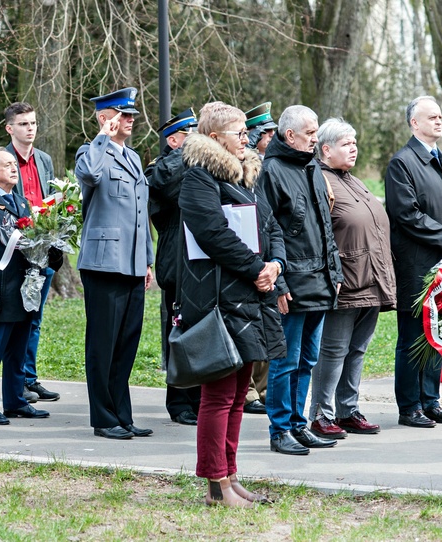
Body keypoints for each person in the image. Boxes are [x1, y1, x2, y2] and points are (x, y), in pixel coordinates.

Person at [177, 101, 285, 507]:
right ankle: (215, 485)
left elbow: (271, 226)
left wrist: (275, 265)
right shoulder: (198, 177)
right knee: (219, 394)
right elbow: (212, 233)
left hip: (251, 296)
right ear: (214, 137)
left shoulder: (247, 174)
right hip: (219, 298)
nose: (247, 139)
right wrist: (256, 268)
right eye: (239, 133)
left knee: (239, 393)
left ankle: (231, 476)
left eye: (246, 133)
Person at [258, 105, 342, 455]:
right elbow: (267, 231)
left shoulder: (312, 166)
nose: (315, 138)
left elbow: (325, 227)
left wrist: (335, 272)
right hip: (291, 284)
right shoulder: (271, 170)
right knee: (286, 361)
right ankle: (280, 430)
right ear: (289, 135)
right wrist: (278, 285)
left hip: (320, 280)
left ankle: (297, 424)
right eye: (310, 133)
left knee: (307, 359)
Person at [308, 118, 395, 438]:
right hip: (343, 282)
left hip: (371, 279)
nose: (354, 148)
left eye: (354, 143)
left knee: (357, 349)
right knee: (333, 350)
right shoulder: (319, 179)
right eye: (346, 144)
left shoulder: (353, 180)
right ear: (326, 149)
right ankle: (321, 414)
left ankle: (347, 410)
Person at [75, 87, 154, 440]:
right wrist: (101, 138)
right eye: (124, 115)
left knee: (126, 344)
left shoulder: (133, 157)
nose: (131, 120)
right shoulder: (90, 152)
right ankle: (104, 418)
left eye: (132, 115)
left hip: (133, 263)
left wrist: (147, 260)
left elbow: (140, 215)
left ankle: (123, 414)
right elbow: (89, 176)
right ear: (105, 118)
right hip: (103, 263)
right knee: (103, 344)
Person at [0, 148, 61, 425]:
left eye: (13, 165)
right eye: (7, 165)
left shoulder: (21, 203)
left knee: (18, 350)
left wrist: (51, 251)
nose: (13, 168)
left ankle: (16, 401)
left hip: (24, 290)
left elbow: (31, 245)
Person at [385, 96, 442, 428]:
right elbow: (407, 215)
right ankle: (409, 406)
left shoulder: (438, 159)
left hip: (438, 263)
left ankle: (430, 400)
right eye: (431, 117)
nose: (438, 121)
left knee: (437, 332)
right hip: (416, 265)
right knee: (412, 337)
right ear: (414, 123)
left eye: (440, 116)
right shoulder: (402, 163)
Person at [145, 107, 202, 426]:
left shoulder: (199, 162)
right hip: (176, 259)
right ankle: (179, 400)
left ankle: (199, 397)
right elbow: (164, 185)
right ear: (174, 140)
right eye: (189, 134)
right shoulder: (162, 167)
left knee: (202, 331)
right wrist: (190, 152)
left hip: (201, 260)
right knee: (179, 332)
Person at [3, 101, 61, 403]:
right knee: (17, 317)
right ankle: (15, 381)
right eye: (24, 124)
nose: (30, 128)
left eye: (33, 123)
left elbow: (51, 198)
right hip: (16, 250)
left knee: (35, 317)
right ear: (10, 128)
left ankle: (29, 377)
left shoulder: (44, 160)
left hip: (43, 249)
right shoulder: (1, 160)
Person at [241, 102, 279, 415]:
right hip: (250, 251)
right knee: (251, 326)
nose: (272, 137)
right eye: (266, 133)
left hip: (269, 248)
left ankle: (264, 389)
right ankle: (249, 392)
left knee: (268, 324)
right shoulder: (245, 162)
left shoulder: (272, 162)